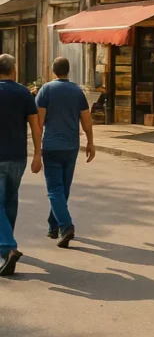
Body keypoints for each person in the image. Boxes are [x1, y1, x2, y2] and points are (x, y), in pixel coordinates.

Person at [35, 57, 94, 248]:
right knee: (64, 188)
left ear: (53, 71)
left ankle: (66, 225)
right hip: (71, 146)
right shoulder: (77, 91)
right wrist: (90, 142)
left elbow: (39, 121)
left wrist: (37, 149)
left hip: (51, 146)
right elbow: (86, 119)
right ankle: (54, 226)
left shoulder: (46, 90)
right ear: (68, 71)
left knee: (54, 190)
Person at [0, 55, 42, 275]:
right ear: (13, 70)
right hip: (18, 157)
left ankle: (7, 247)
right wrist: (37, 154)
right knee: (10, 201)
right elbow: (36, 127)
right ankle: (7, 246)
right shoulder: (24, 93)